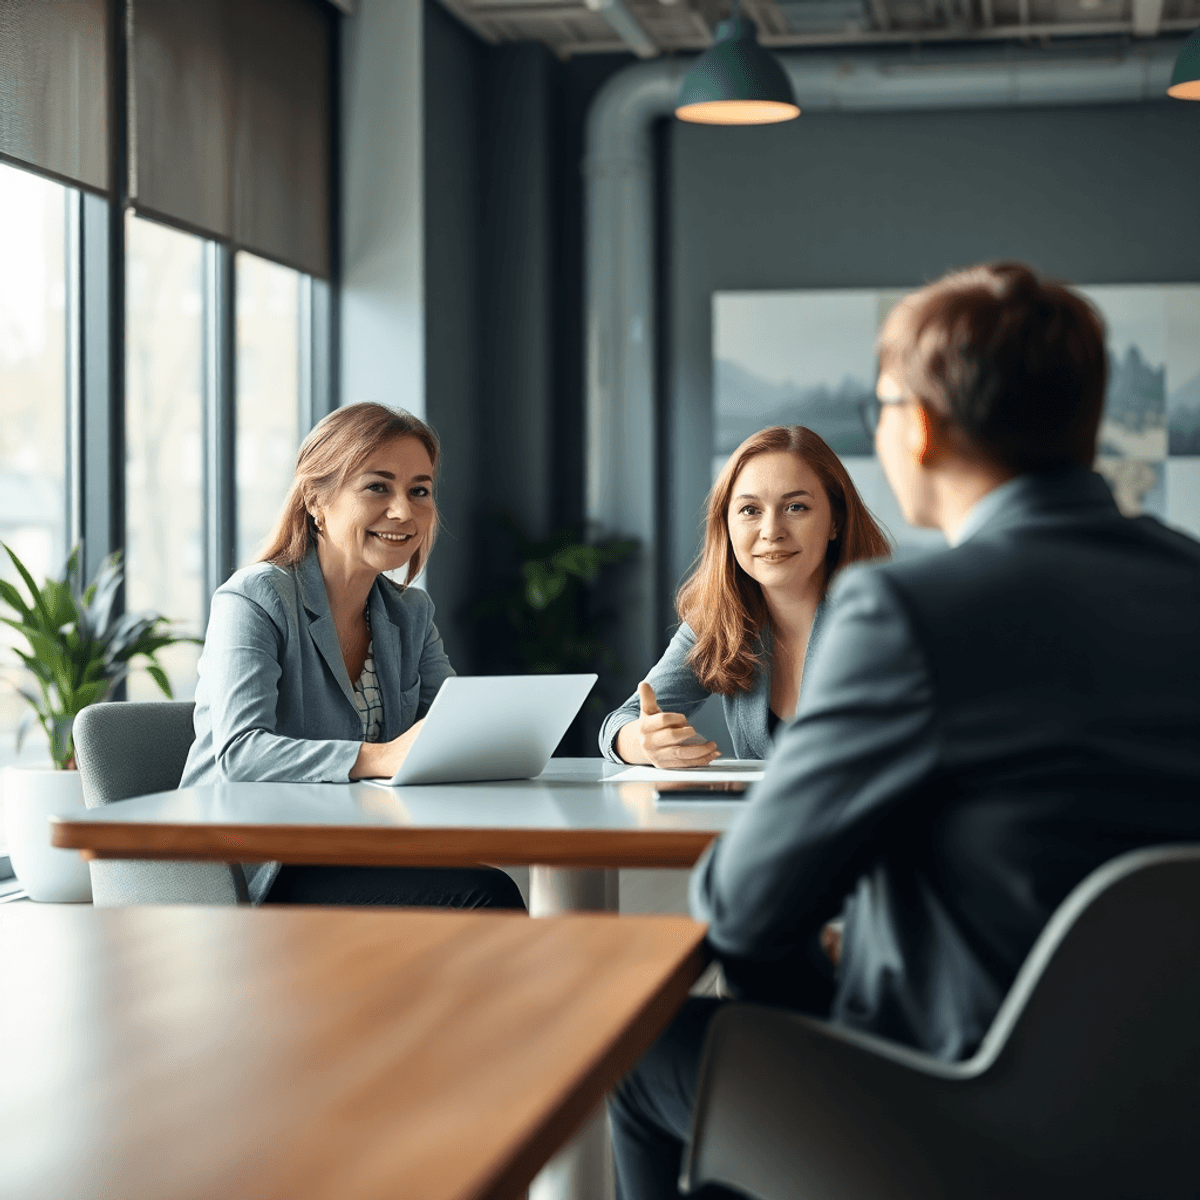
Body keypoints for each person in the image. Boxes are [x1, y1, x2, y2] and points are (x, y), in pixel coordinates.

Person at [607, 262, 1200, 1199]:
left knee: (637, 1054)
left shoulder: (903, 612)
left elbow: (747, 912)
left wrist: (838, 1011)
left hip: (965, 1119)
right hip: (1173, 1112)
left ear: (915, 428)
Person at [180, 403, 524, 911]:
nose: (404, 511)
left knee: (482, 886)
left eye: (419, 490)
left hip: (356, 846)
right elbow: (241, 753)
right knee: (483, 895)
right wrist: (380, 756)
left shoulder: (409, 613)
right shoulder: (254, 599)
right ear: (316, 500)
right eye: (377, 487)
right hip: (256, 868)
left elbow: (447, 729)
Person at [599, 426, 889, 768]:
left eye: (796, 507)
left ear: (835, 522)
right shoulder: (720, 619)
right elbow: (622, 722)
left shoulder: (884, 618)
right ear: (727, 524)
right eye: (750, 510)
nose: (771, 532)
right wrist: (643, 743)